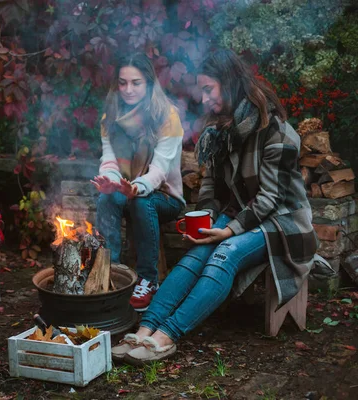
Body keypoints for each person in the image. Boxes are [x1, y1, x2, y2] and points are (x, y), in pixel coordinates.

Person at [111, 49, 318, 365]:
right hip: (243, 212)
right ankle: (146, 328)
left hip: (282, 221)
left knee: (226, 253)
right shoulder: (222, 128)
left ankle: (166, 336)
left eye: (209, 89)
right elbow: (210, 183)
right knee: (196, 253)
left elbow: (270, 199)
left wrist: (228, 230)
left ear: (230, 83)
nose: (204, 98)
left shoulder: (275, 130)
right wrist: (206, 217)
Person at [91, 54, 185, 312]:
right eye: (122, 83)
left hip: (165, 196)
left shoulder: (168, 116)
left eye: (136, 83)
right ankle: (110, 273)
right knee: (106, 198)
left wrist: (136, 188)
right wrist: (110, 182)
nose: (128, 90)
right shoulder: (109, 117)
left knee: (141, 202)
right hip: (127, 189)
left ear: (149, 84)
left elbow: (160, 170)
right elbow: (109, 159)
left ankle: (148, 280)